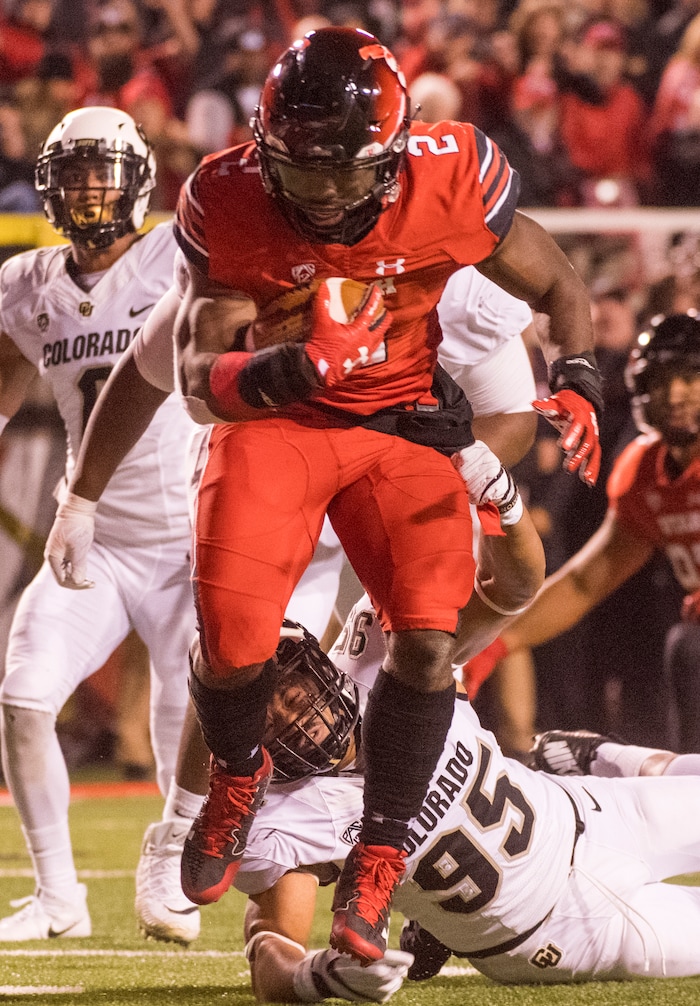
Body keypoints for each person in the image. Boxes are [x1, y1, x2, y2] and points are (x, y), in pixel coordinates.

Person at [164, 24, 602, 963]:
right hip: (279, 427)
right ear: (267, 149)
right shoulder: (227, 194)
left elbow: (559, 277)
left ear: (395, 154)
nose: (322, 195)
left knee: (428, 641)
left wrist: (580, 377)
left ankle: (381, 846)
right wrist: (285, 367)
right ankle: (238, 775)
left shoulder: (452, 178)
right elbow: (195, 371)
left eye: (344, 171)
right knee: (233, 637)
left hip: (396, 428)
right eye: (302, 170)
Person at [46, 248, 541, 944]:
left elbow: (512, 421)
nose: (299, 716)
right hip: (280, 465)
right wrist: (82, 498)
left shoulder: (436, 269)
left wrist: (469, 462)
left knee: (412, 641)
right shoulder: (245, 276)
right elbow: (156, 374)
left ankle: (381, 854)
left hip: (392, 471)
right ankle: (196, 816)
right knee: (240, 644)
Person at [233, 616, 700, 1001]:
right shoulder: (282, 815)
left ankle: (605, 759)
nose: (288, 711)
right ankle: (605, 758)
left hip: (591, 812)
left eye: (288, 684)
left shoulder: (379, 652)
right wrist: (314, 977)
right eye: (261, 711)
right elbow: (271, 942)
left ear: (316, 664)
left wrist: (504, 508)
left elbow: (509, 586)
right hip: (563, 932)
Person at [0, 105, 197, 942]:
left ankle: (178, 870)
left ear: (138, 181)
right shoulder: (27, 285)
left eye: (102, 172)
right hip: (97, 540)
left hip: (194, 534)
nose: (88, 189)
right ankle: (57, 899)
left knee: (182, 723)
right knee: (22, 697)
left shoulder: (178, 255)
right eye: (73, 173)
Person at [462, 311, 700, 752]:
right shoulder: (646, 469)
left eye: (690, 378)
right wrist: (494, 643)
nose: (675, 393)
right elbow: (585, 581)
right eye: (663, 380)